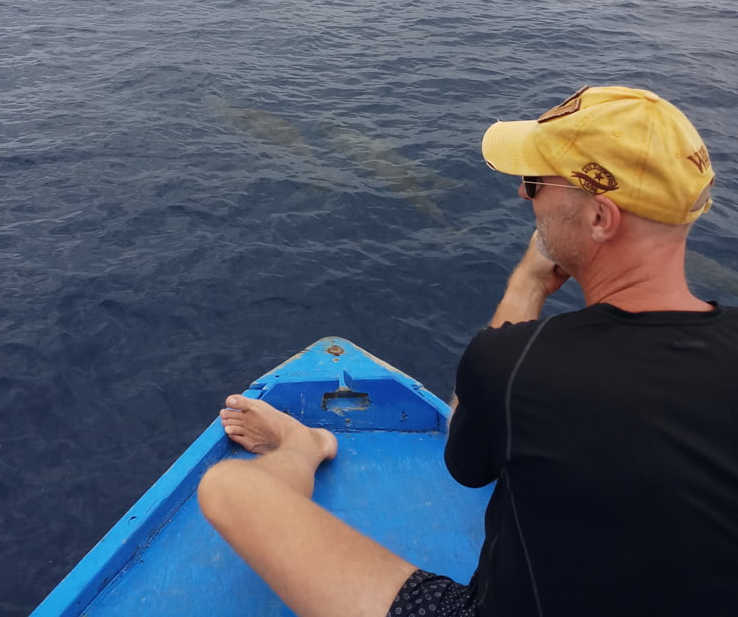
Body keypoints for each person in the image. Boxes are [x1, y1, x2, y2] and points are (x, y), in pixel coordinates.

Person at [198, 85, 738, 617]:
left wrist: (527, 285)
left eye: (535, 181)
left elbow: (465, 457)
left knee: (228, 488)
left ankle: (303, 446)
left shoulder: (518, 366)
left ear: (600, 218)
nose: (522, 194)